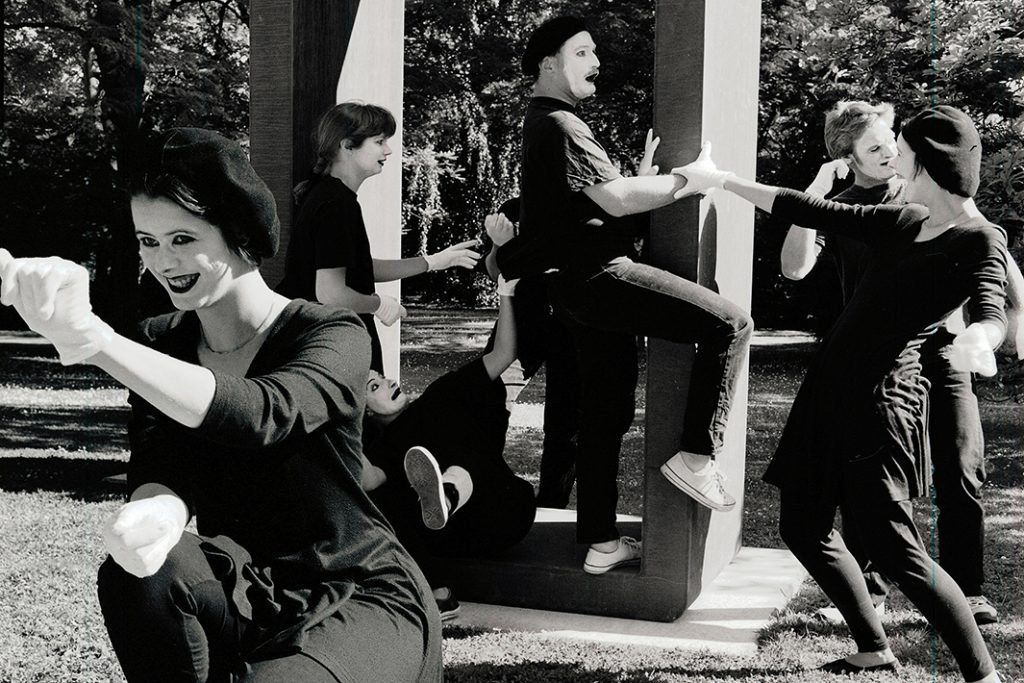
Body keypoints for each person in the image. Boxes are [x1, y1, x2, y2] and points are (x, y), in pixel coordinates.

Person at [0, 128, 443, 681]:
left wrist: (95, 341)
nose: (163, 260)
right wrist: (158, 511)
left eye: (182, 238)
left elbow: (265, 413)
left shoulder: (332, 332)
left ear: (239, 233)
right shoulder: (161, 340)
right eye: (148, 241)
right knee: (139, 573)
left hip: (357, 589)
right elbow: (161, 465)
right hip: (246, 586)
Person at [673, 105, 1008, 682]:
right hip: (827, 391)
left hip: (882, 401)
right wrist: (721, 181)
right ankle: (874, 648)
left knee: (895, 548)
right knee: (802, 525)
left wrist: (981, 339)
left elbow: (991, 305)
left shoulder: (977, 237)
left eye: (903, 152)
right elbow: (809, 209)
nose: (894, 159)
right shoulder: (903, 219)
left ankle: (984, 676)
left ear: (929, 165)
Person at [496, 15, 753, 575]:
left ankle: (601, 542)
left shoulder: (543, 123)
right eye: (582, 52)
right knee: (731, 325)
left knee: (605, 414)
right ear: (547, 63)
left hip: (572, 287)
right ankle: (696, 456)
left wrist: (638, 181)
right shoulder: (560, 123)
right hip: (598, 278)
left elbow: (591, 206)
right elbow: (615, 200)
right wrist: (691, 179)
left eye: (595, 53)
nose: (596, 63)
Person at [781, 100, 1024, 626]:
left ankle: (968, 590)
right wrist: (817, 189)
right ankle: (871, 588)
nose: (891, 153)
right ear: (847, 158)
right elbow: (794, 268)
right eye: (875, 147)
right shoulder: (843, 208)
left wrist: (1009, 319)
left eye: (892, 141)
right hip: (882, 362)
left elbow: (991, 251)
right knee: (873, 476)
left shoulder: (923, 191)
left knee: (961, 464)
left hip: (944, 349)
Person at [359, 274, 537, 618]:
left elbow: (503, 354)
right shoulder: (384, 450)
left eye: (382, 377)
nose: (389, 381)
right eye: (374, 386)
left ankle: (448, 494)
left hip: (505, 511)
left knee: (463, 438)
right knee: (385, 498)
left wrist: (504, 291)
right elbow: (365, 479)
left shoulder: (441, 395)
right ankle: (438, 594)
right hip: (461, 535)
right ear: (363, 410)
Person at [277, 101, 480, 372]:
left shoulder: (328, 195)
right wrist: (379, 305)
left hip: (317, 341)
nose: (388, 150)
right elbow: (331, 294)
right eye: (379, 141)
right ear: (347, 145)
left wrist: (433, 261)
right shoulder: (336, 204)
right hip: (328, 346)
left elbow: (357, 268)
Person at [482, 197, 581, 509]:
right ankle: (478, 485)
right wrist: (499, 245)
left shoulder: (587, 203)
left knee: (566, 420)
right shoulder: (514, 208)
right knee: (487, 400)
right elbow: (493, 271)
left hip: (574, 324)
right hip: (523, 321)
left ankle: (552, 505)